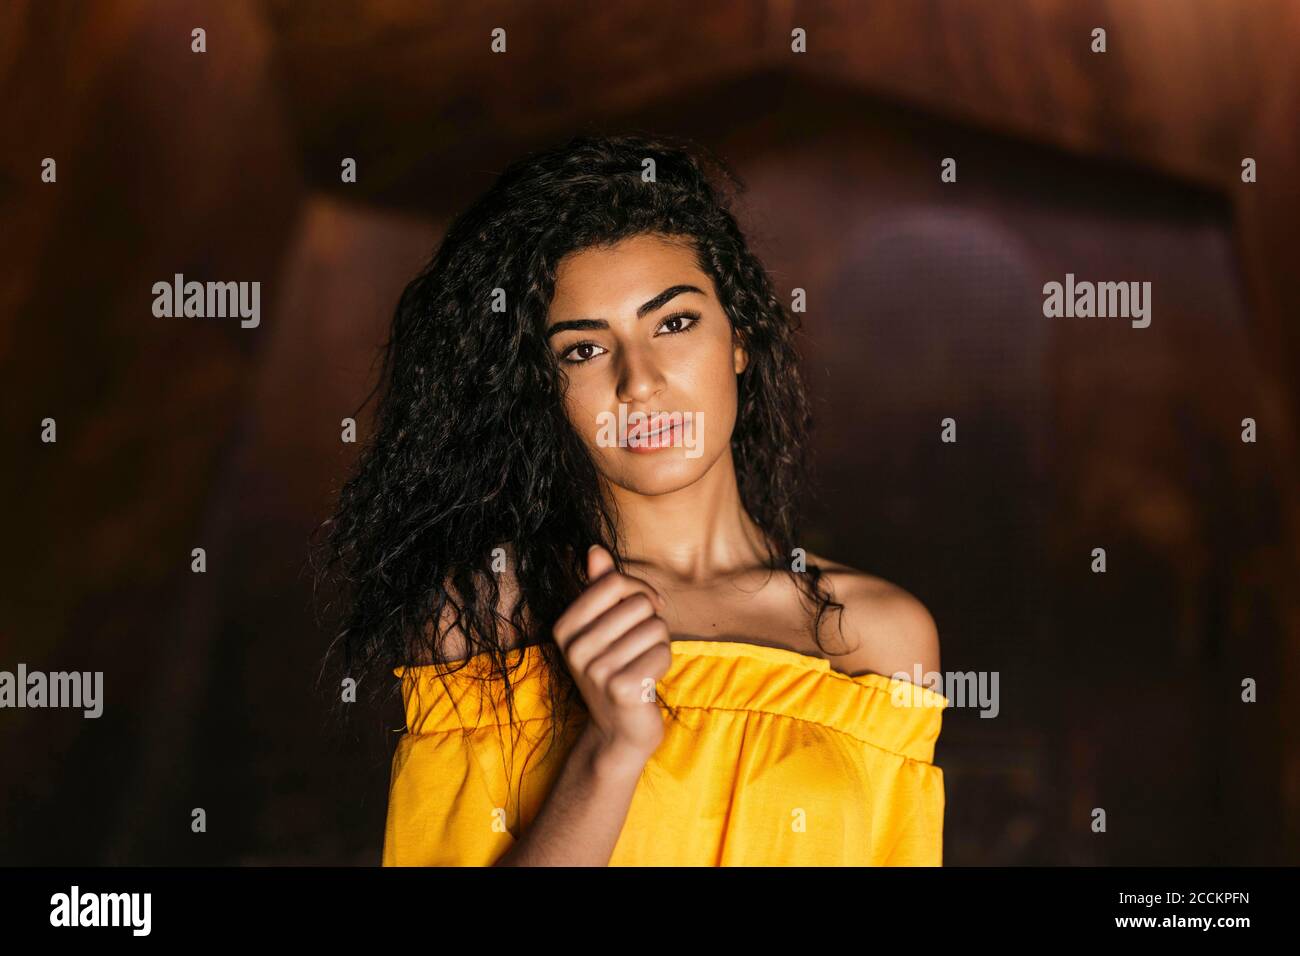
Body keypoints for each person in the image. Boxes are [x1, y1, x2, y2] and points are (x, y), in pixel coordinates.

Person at [312, 132, 949, 866]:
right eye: (584, 348)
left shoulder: (879, 638)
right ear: (544, 389)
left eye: (674, 323)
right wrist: (610, 752)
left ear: (739, 340)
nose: (638, 380)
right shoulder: (490, 616)